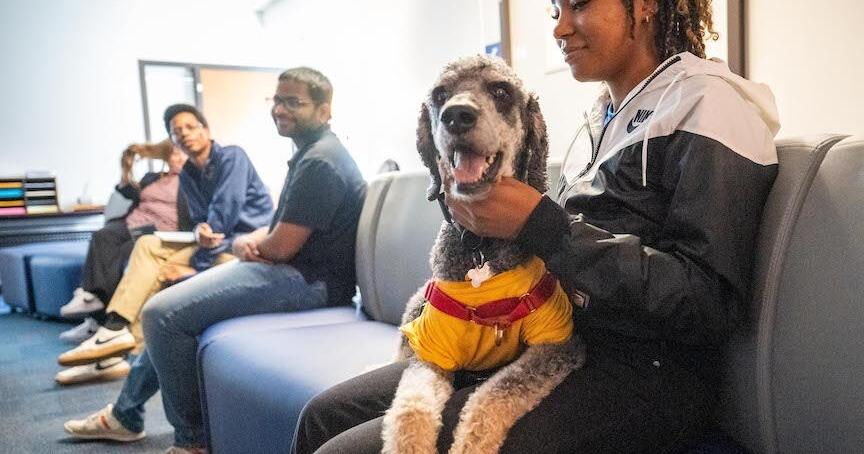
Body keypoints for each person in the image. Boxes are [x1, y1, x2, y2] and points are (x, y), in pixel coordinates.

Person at [292, 0, 780, 453]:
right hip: (546, 338)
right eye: (555, 8)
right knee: (321, 416)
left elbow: (707, 300)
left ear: (648, 4)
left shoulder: (711, 102)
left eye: (581, 4)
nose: (560, 26)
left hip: (640, 373)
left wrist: (542, 226)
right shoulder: (600, 117)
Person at [66, 67, 366, 454]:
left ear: (325, 111)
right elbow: (277, 227)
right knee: (167, 312)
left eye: (294, 102)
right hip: (289, 271)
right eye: (277, 100)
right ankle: (126, 414)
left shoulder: (320, 162)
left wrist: (243, 244)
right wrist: (252, 242)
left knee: (162, 315)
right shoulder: (310, 154)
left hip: (310, 283)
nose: (280, 109)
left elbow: (280, 247)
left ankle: (190, 443)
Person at [57, 104, 273, 368]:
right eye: (176, 131)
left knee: (163, 272)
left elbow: (222, 220)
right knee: (147, 245)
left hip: (244, 245)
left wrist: (193, 267)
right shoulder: (189, 174)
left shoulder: (232, 157)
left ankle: (124, 354)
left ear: (205, 130)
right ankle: (114, 331)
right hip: (215, 243)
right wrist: (198, 232)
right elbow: (198, 222)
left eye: (190, 127)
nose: (184, 134)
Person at [55, 142, 191, 385]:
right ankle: (94, 305)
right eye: (173, 152)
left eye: (182, 152)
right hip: (132, 224)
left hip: (160, 233)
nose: (177, 157)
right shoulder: (154, 177)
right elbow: (128, 191)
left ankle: (106, 334)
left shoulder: (193, 181)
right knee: (103, 236)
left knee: (130, 256)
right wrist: (126, 165)